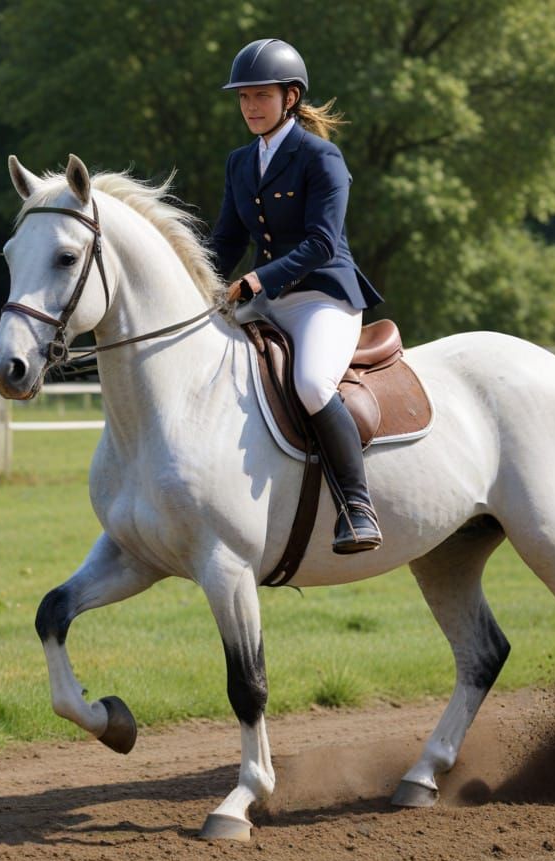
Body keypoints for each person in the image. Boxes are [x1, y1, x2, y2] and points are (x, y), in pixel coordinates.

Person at [211, 38, 385, 554]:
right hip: (266, 298)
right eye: (242, 97)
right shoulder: (240, 163)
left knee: (311, 384)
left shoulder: (321, 157)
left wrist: (258, 280)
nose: (249, 106)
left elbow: (321, 243)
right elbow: (226, 241)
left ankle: (358, 507)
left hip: (322, 298)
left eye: (260, 96)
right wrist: (198, 287)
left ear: (290, 97)